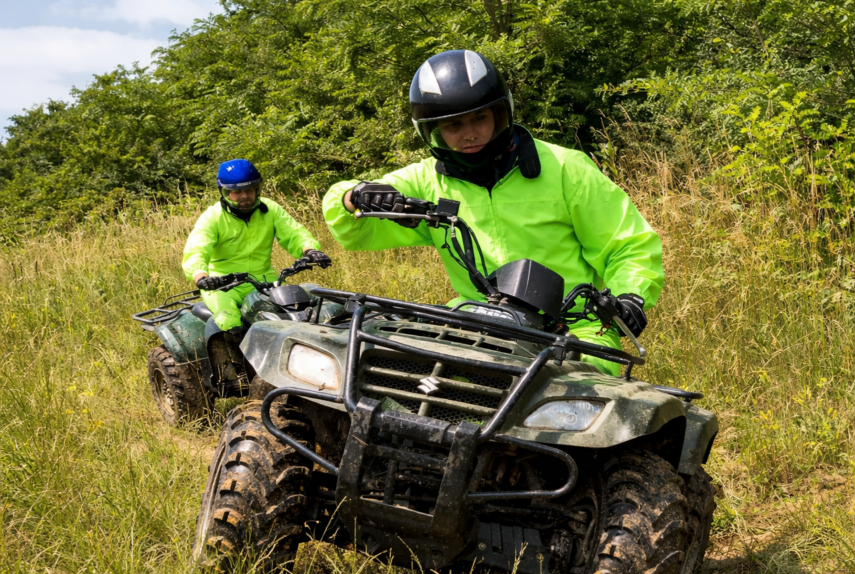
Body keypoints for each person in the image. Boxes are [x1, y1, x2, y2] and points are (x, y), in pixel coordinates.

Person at [321, 50, 661, 375]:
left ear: (501, 113)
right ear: (431, 130)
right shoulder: (425, 181)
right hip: (472, 321)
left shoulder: (565, 168)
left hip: (575, 328)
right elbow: (354, 228)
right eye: (453, 125)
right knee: (388, 368)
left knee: (586, 397)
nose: (469, 134)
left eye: (479, 118)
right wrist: (354, 196)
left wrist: (630, 295)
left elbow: (627, 245)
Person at [182, 159, 331, 377]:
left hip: (263, 280)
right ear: (224, 192)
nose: (244, 196)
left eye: (249, 190)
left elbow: (293, 233)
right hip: (222, 284)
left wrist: (310, 250)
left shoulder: (270, 209)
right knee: (228, 319)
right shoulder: (213, 217)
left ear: (257, 189)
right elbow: (197, 248)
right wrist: (201, 276)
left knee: (298, 308)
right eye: (236, 192)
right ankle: (241, 372)